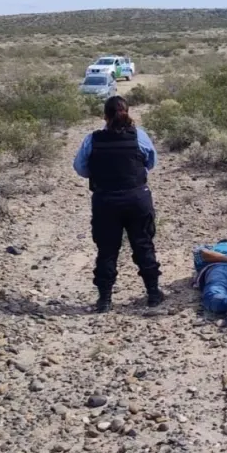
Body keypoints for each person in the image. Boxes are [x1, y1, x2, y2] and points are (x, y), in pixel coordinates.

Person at [73, 96, 165, 313]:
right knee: (143, 245)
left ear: (104, 116)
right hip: (137, 198)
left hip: (105, 200)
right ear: (127, 112)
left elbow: (80, 168)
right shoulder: (139, 136)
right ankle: (153, 294)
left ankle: (104, 300)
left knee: (107, 250)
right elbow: (151, 163)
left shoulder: (92, 139)